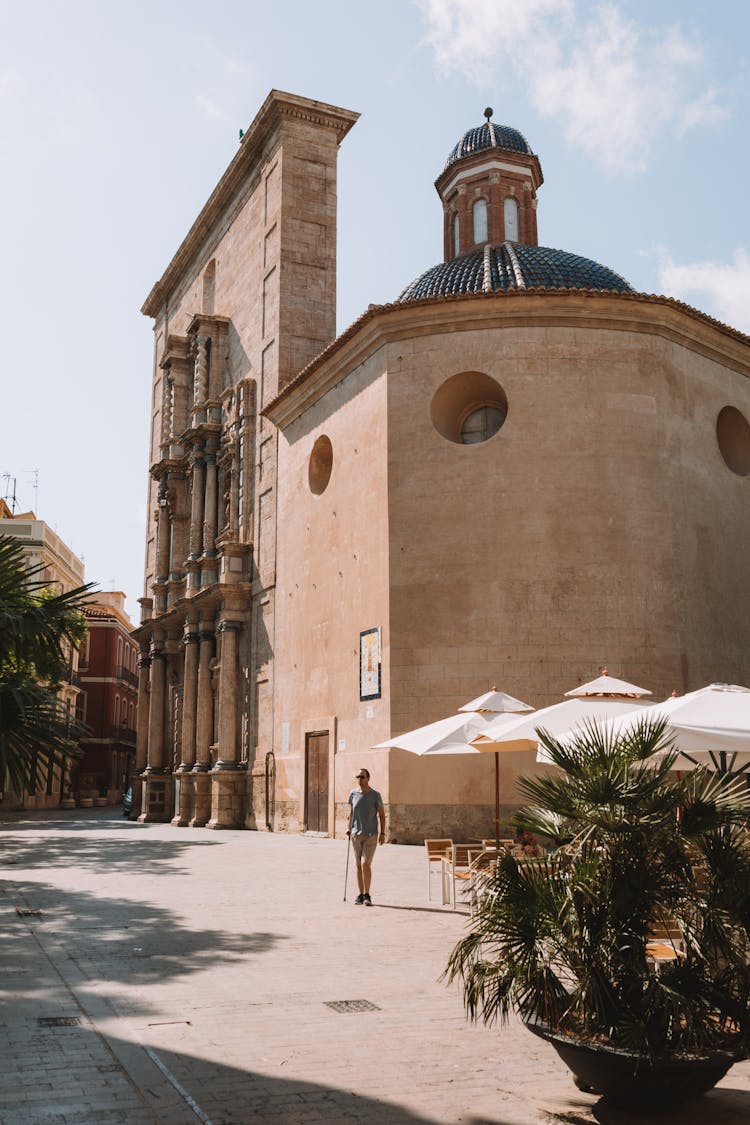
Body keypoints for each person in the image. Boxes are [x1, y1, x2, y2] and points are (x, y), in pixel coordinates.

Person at [347, 768, 386, 905]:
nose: (359, 779)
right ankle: (360, 894)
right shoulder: (353, 794)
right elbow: (352, 812)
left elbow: (381, 815)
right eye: (358, 776)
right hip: (356, 835)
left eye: (362, 777)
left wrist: (382, 833)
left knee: (365, 864)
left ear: (368, 778)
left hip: (371, 835)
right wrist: (349, 827)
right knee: (358, 865)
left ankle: (367, 894)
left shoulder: (375, 795)